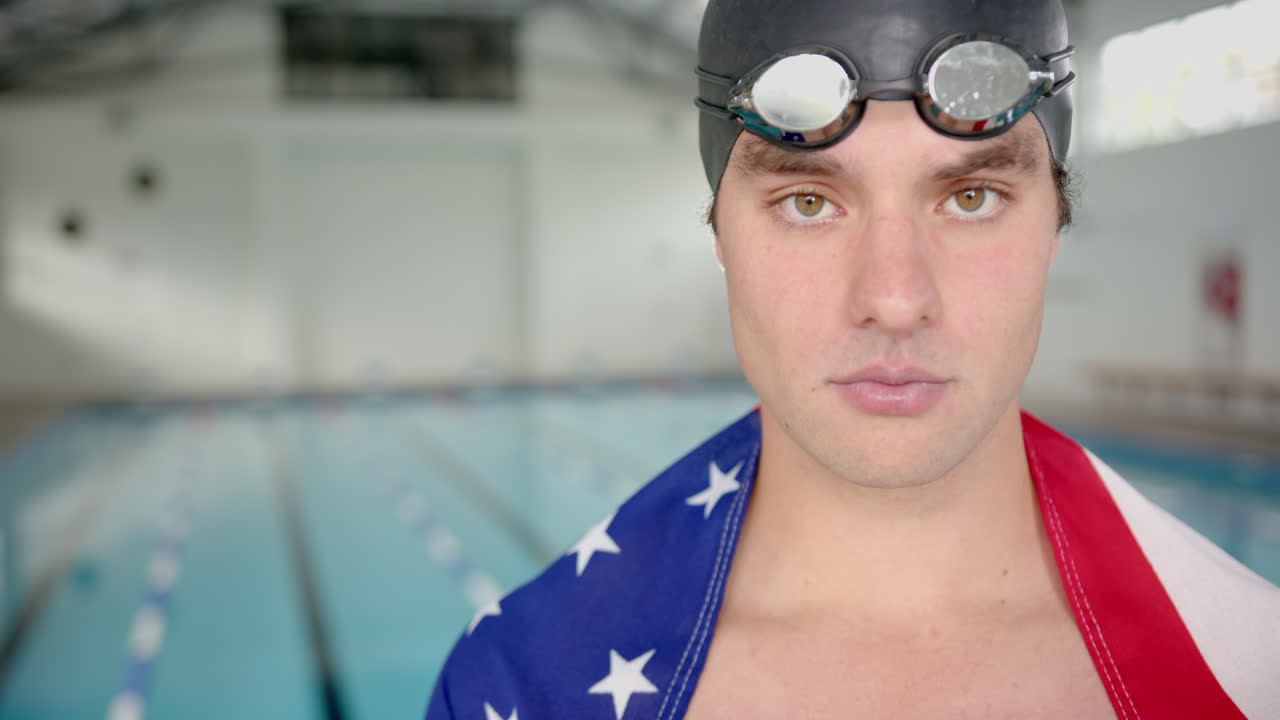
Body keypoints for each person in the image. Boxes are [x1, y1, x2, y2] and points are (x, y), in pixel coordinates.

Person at [427, 0, 1280, 717]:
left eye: (971, 197)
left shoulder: (1248, 668)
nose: (897, 298)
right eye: (808, 201)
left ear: (1053, 224)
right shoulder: (526, 684)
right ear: (719, 234)